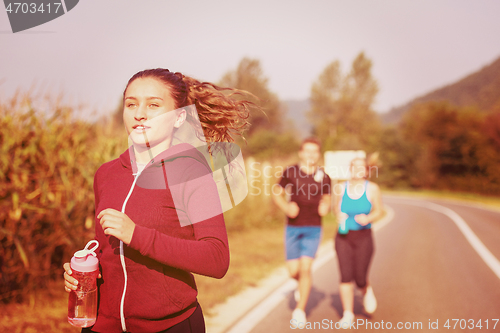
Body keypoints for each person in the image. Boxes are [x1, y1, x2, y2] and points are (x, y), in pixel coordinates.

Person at [63, 68, 254, 333]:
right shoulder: (105, 174)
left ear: (178, 118)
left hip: (169, 326)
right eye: (131, 104)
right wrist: (84, 266)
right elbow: (108, 246)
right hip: (101, 325)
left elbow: (216, 257)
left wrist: (137, 235)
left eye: (153, 105)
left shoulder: (191, 172)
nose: (139, 113)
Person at [272, 137, 331, 325]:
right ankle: (301, 284)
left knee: (306, 269)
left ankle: (300, 310)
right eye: (307, 151)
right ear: (301, 153)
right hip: (293, 227)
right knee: (293, 272)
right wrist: (285, 208)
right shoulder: (291, 171)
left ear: (318, 154)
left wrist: (326, 206)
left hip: (313, 227)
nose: (311, 155)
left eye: (314, 151)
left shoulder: (325, 176)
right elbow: (276, 191)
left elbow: (328, 197)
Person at [334, 157, 383, 328]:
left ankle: (366, 290)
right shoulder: (340, 187)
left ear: (367, 171)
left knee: (360, 277)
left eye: (362, 168)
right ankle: (348, 314)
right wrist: (338, 215)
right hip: (343, 237)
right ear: (350, 169)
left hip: (364, 237)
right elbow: (335, 208)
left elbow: (379, 210)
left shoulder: (372, 189)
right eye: (355, 167)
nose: (358, 171)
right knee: (346, 276)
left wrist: (368, 217)